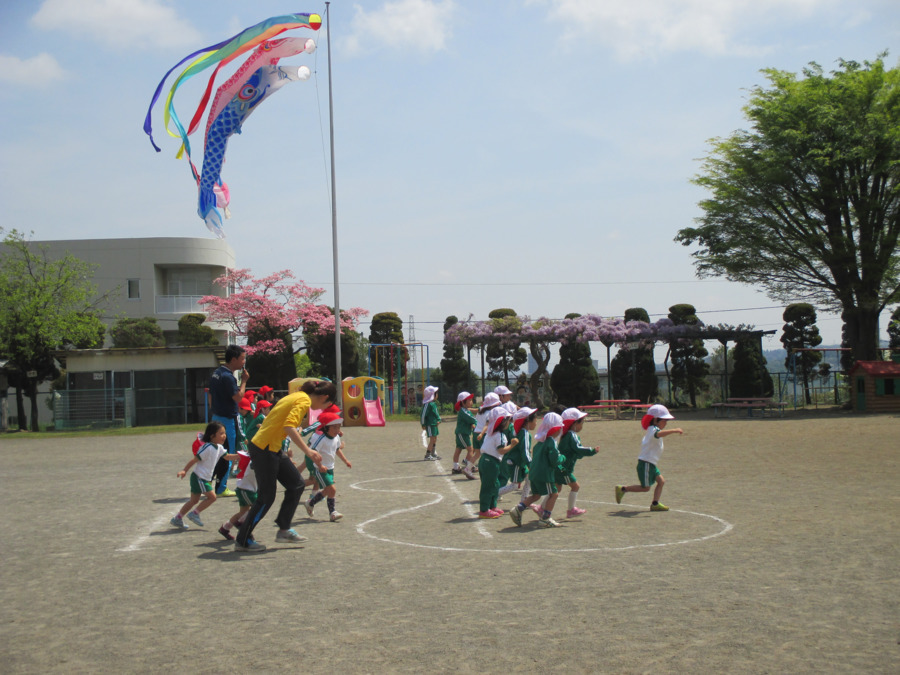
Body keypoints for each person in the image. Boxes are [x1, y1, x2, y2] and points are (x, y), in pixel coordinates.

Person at [234, 380, 337, 553]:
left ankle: (284, 530)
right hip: (264, 448)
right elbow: (289, 426)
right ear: (324, 397)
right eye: (326, 405)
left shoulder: (297, 396)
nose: (322, 409)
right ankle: (242, 540)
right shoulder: (303, 400)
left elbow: (281, 424)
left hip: (272, 447)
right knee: (266, 497)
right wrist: (308, 451)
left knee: (297, 484)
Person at [615, 404, 684, 512]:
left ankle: (655, 503)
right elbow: (659, 434)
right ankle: (623, 489)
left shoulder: (653, 428)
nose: (666, 423)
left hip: (650, 463)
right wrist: (674, 430)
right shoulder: (653, 429)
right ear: (656, 419)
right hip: (646, 463)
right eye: (664, 420)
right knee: (646, 488)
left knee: (661, 482)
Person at [171, 421, 239, 530]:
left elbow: (227, 457)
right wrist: (184, 470)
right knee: (212, 497)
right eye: (221, 433)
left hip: (202, 478)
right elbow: (194, 459)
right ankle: (194, 514)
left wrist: (240, 456)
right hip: (199, 478)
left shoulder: (219, 448)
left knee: (194, 501)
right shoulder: (207, 447)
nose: (224, 436)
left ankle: (177, 518)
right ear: (212, 436)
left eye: (224, 433)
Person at [508, 412, 565, 528]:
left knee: (536, 495)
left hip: (533, 473)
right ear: (554, 429)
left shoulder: (540, 442)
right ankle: (545, 518)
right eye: (560, 428)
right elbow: (554, 460)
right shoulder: (551, 442)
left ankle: (518, 509)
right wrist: (563, 458)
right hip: (544, 474)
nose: (561, 431)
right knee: (553, 494)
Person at [207, 345, 249, 497]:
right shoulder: (228, 376)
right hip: (227, 420)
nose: (244, 362)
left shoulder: (216, 373)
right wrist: (244, 381)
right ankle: (221, 487)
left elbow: (210, 394)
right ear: (234, 359)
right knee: (227, 454)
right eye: (242, 358)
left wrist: (214, 410)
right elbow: (238, 397)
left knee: (213, 453)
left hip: (216, 417)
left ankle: (208, 485)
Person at [303, 412, 351, 522]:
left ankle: (310, 503)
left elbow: (337, 450)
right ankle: (332, 513)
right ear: (326, 427)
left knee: (326, 491)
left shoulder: (336, 438)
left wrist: (346, 461)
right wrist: (319, 465)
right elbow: (313, 452)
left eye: (338, 427)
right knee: (332, 490)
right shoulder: (321, 439)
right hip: (320, 469)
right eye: (334, 427)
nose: (337, 430)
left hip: (330, 468)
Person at [557, 408, 600, 519]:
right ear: (574, 423)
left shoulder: (566, 435)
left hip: (560, 466)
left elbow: (574, 452)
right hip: (564, 468)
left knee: (556, 490)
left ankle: (542, 508)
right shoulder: (572, 435)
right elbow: (578, 448)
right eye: (581, 422)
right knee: (575, 486)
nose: (582, 425)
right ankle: (571, 510)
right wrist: (592, 451)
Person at [476, 407, 517, 518]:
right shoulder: (499, 435)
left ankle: (492, 506)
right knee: (488, 486)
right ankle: (484, 510)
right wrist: (512, 445)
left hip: (485, 460)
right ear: (502, 422)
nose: (509, 422)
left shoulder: (490, 433)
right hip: (491, 462)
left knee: (495, 484)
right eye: (508, 419)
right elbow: (501, 450)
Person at [498, 406, 537, 498]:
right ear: (527, 421)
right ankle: (493, 494)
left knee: (528, 479)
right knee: (515, 485)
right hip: (516, 463)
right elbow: (524, 452)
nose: (536, 423)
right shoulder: (525, 433)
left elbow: (521, 448)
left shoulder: (519, 431)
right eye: (535, 420)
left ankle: (524, 502)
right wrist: (531, 464)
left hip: (519, 462)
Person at [219, 449, 256, 540]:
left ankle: (225, 528)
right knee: (258, 507)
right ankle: (242, 525)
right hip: (247, 490)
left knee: (242, 512)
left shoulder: (253, 459)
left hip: (244, 489)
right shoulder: (254, 461)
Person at [451, 392, 477, 479]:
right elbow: (471, 419)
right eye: (469, 400)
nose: (471, 401)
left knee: (458, 449)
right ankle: (468, 465)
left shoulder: (466, 410)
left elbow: (471, 419)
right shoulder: (463, 411)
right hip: (462, 433)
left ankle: (456, 467)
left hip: (462, 433)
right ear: (462, 402)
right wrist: (477, 423)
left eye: (471, 400)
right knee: (470, 450)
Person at [420, 385, 441, 461]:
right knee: (432, 439)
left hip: (434, 424)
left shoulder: (433, 404)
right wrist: (423, 424)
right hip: (430, 424)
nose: (437, 395)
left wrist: (438, 419)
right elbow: (423, 415)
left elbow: (436, 413)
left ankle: (433, 453)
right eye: (436, 393)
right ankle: (427, 455)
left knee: (434, 438)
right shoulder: (427, 404)